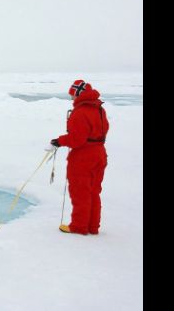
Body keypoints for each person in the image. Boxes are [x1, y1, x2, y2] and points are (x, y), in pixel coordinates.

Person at [50, 79, 109, 235]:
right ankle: (92, 227)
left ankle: (79, 226)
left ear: (78, 94)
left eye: (72, 96)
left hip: (84, 157)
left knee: (80, 192)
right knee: (93, 191)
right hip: (99, 154)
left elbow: (77, 139)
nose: (72, 99)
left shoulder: (81, 112)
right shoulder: (99, 110)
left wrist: (59, 141)